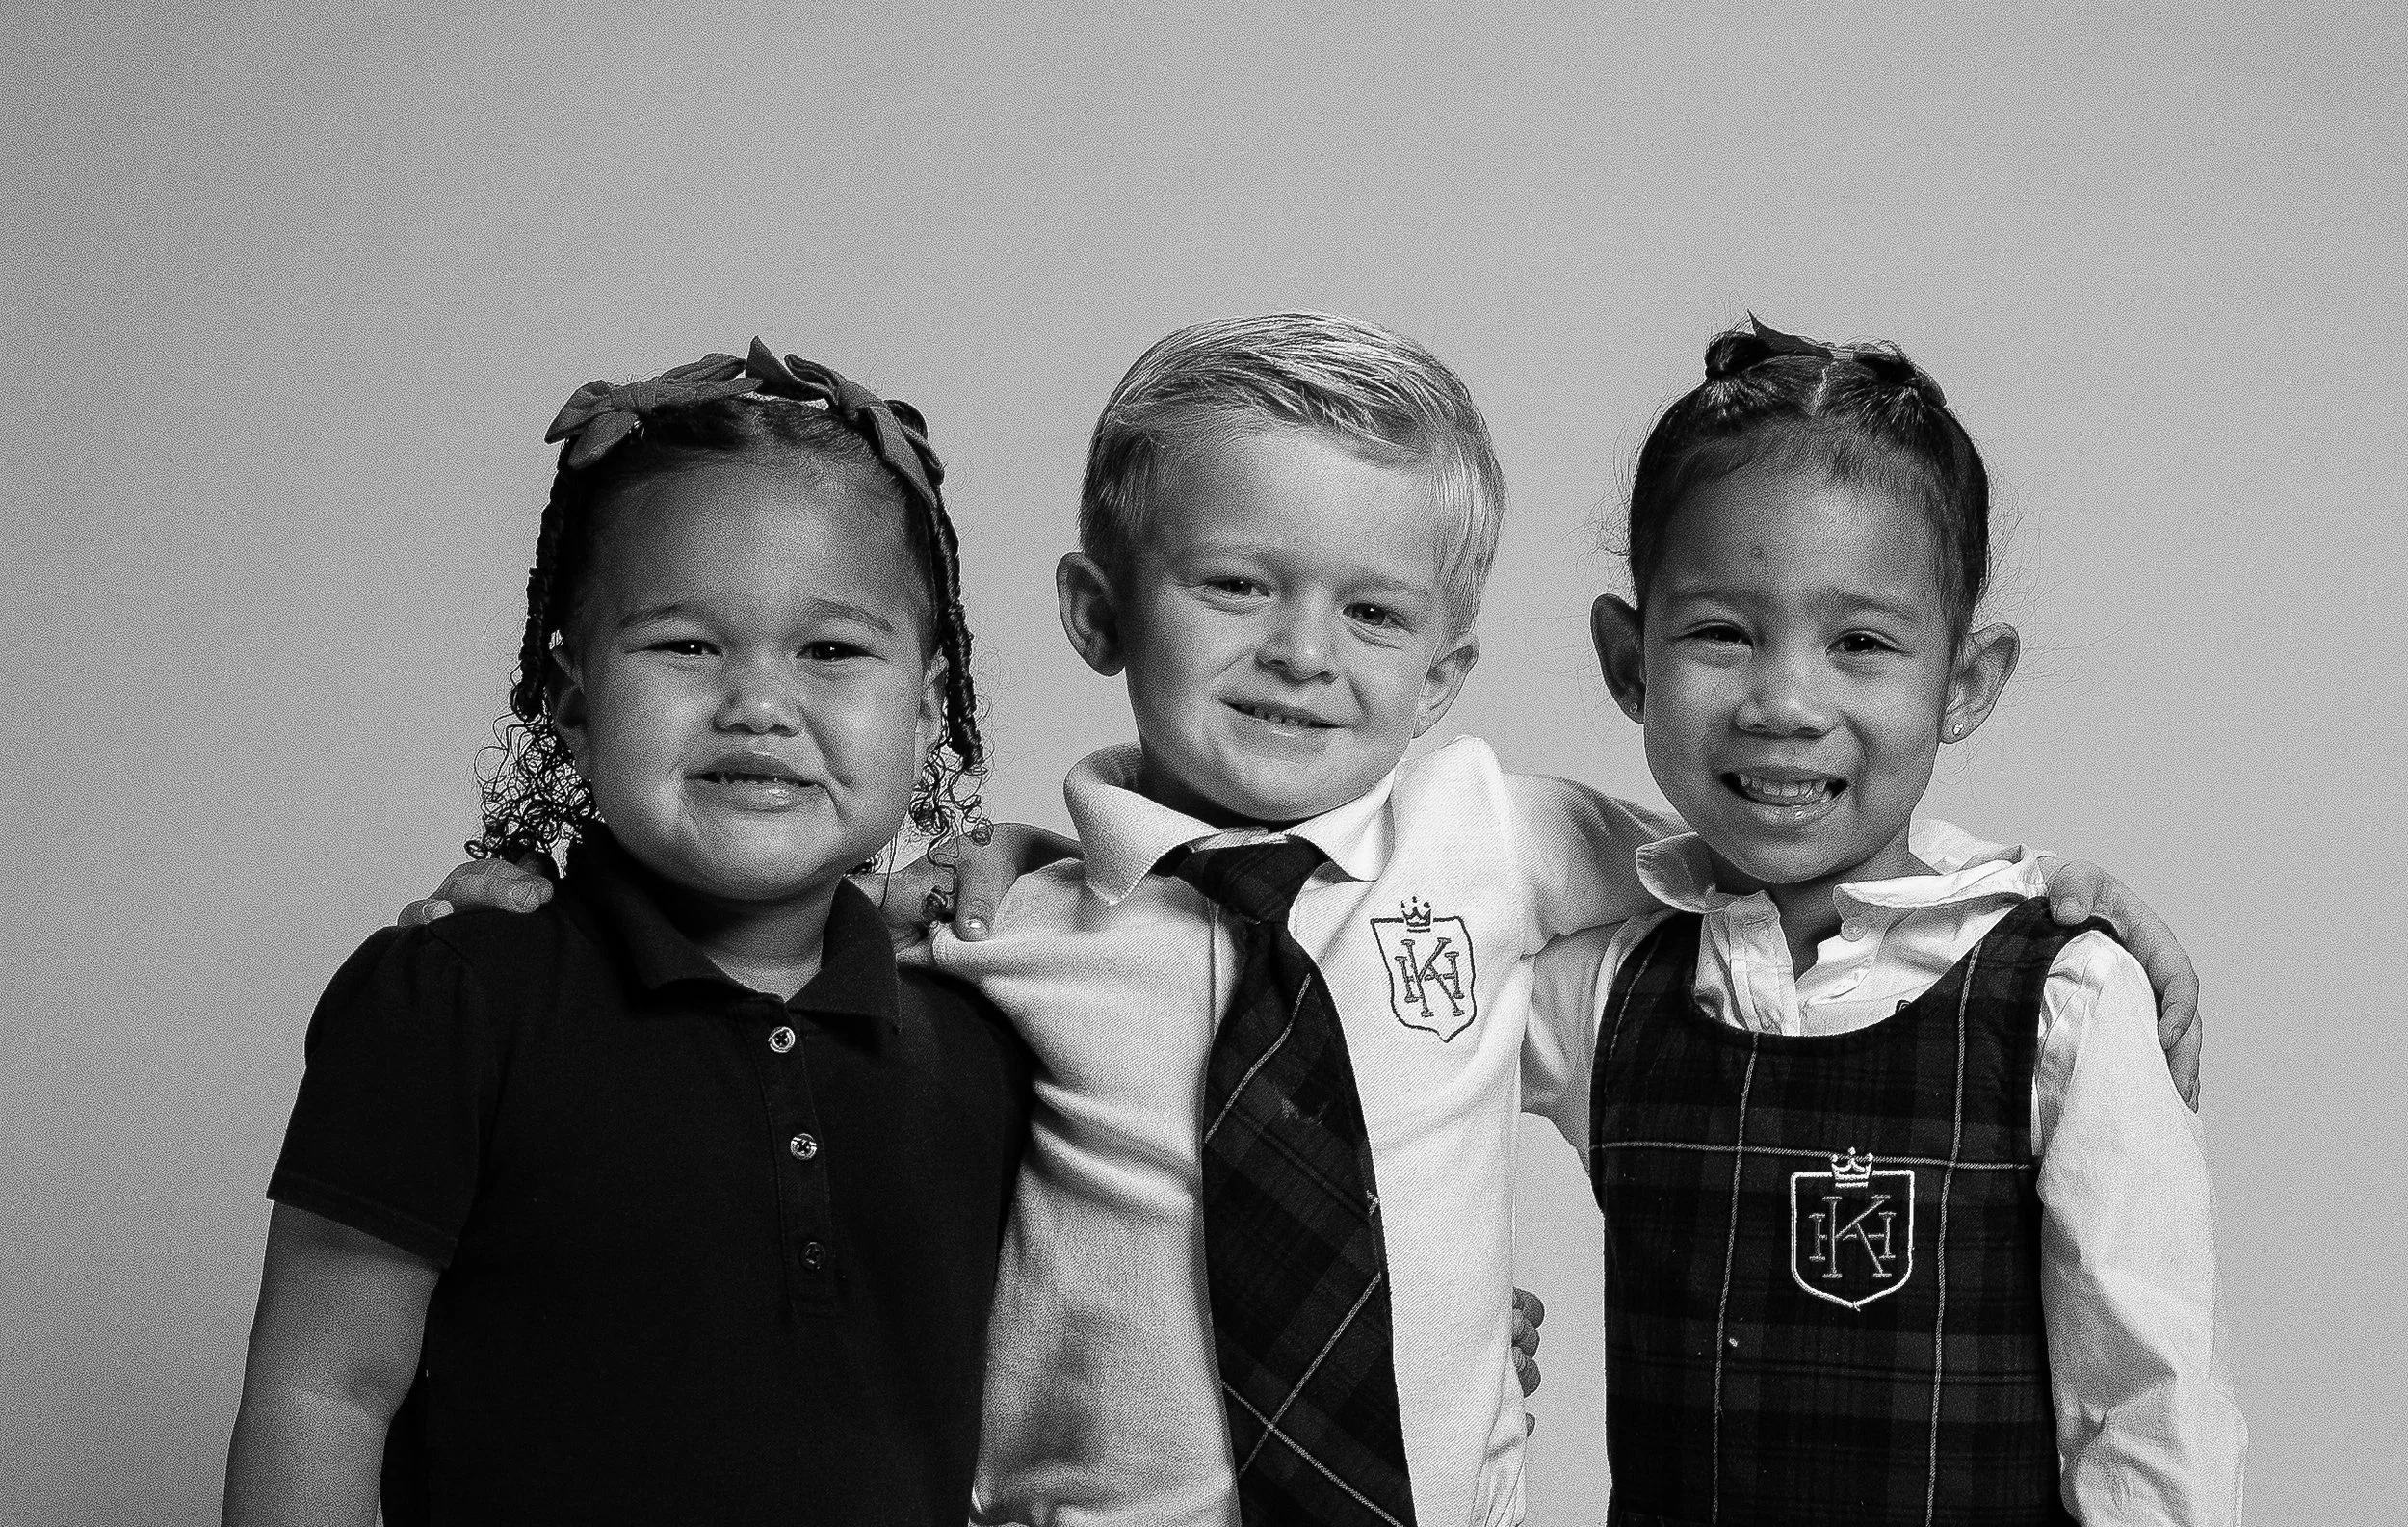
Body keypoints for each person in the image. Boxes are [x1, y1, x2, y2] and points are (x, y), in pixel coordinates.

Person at [416, 314, 2204, 1527]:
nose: (1300, 654)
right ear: (1098, 613)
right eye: (1234, 586)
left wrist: (2038, 897)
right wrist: (542, 903)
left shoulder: (1499, 844)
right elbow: (756, 925)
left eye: (1372, 613)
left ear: (1447, 669)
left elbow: (1782, 859)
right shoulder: (996, 921)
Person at [222, 344, 1034, 1527]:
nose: (759, 703)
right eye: (686, 645)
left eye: (831, 649)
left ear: (924, 704)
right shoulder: (453, 997)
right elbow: (324, 1389)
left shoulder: (987, 1028)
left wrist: (1030, 858)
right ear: (573, 697)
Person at [1525, 320, 2244, 1525]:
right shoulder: (1599, 990)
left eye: (1859, 643)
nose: (1785, 702)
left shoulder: (2064, 1001)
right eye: (1720, 632)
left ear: (1962, 682)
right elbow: (1361, 1043)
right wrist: (1435, 1315)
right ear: (1627, 660)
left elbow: (2149, 1405)